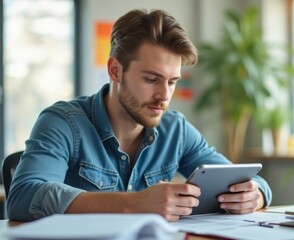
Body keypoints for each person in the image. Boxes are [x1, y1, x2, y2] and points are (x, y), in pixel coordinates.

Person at [7, 9, 272, 222]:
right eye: (151, 79)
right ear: (115, 70)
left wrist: (256, 195)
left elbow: (247, 180)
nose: (164, 95)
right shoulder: (62, 122)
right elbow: (23, 197)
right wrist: (136, 203)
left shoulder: (175, 129)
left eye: (172, 81)